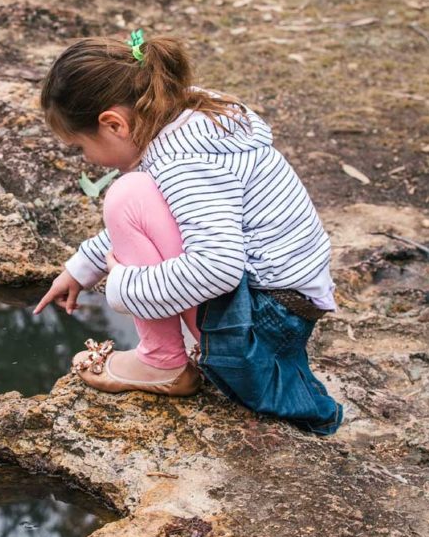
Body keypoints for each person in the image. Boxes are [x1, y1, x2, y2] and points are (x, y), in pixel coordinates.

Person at [33, 30, 343, 435]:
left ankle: (161, 362)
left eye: (79, 147)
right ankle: (171, 351)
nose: (87, 160)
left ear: (114, 123)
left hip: (260, 330)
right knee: (135, 196)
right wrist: (84, 266)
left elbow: (218, 268)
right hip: (282, 311)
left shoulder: (185, 166)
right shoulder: (189, 121)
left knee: (125, 195)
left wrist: (123, 288)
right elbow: (170, 219)